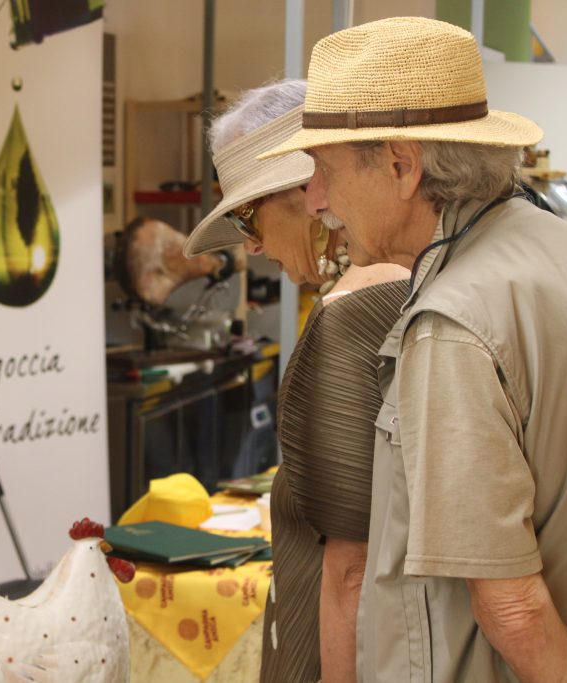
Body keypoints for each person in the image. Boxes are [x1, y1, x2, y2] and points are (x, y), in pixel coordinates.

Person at [264, 17, 567, 682]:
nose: (315, 200)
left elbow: (513, 609)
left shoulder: (452, 323)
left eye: (324, 170)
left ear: (402, 166)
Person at [183, 80, 409, 683]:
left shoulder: (352, 310)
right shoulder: (417, 278)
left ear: (307, 190)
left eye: (246, 214)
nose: (252, 243)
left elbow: (350, 566)